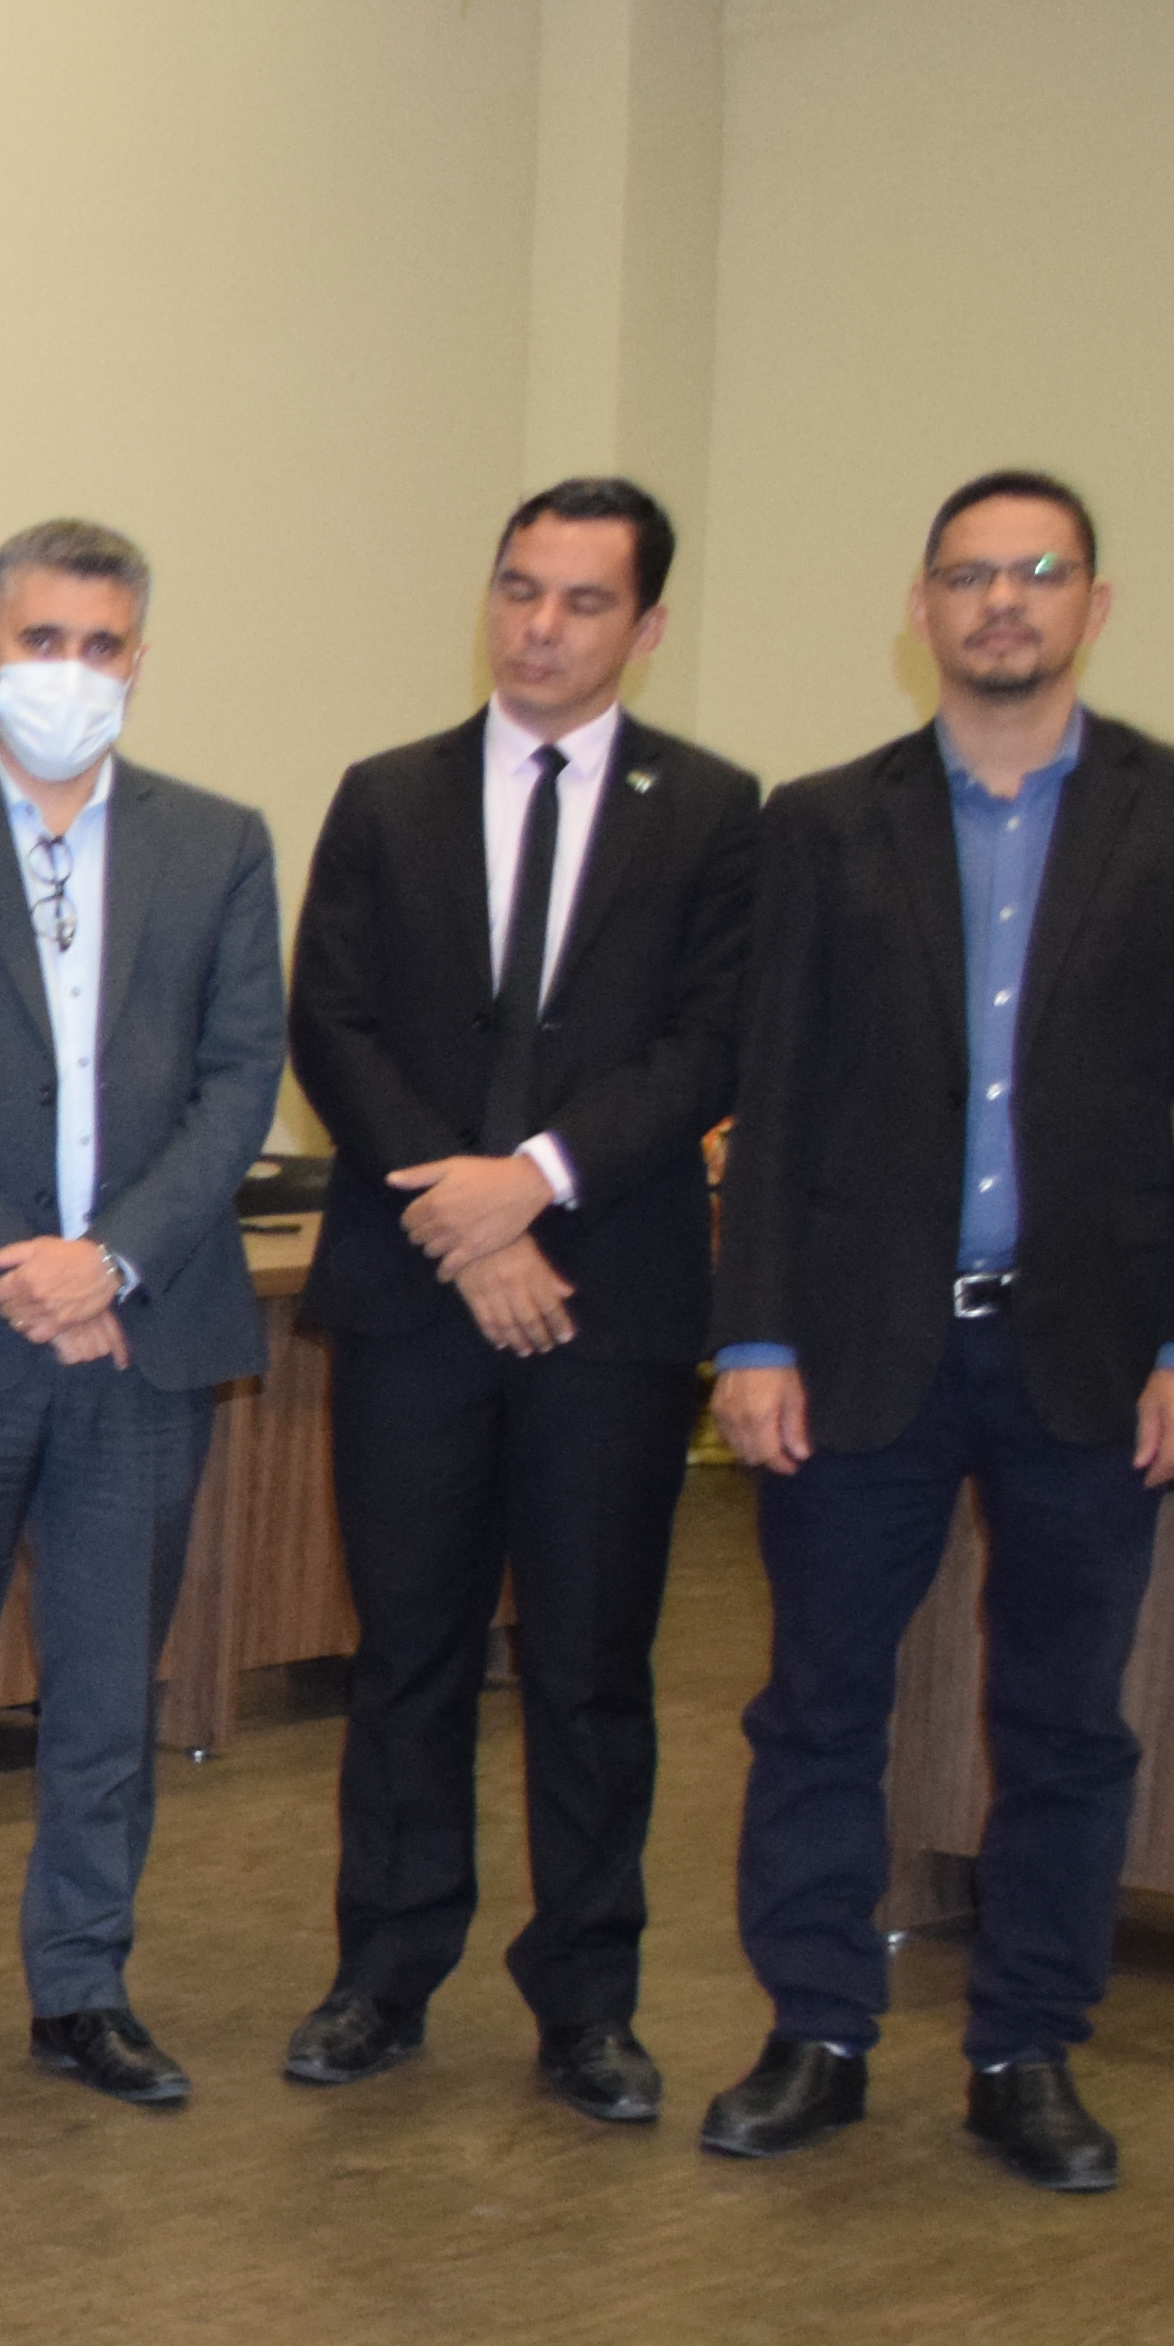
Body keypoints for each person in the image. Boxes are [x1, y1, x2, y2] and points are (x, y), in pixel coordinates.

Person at [697, 470, 1174, 2196]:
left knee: (1066, 1719)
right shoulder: (821, 822)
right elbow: (774, 1097)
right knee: (818, 1706)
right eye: (968, 575)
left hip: (1091, 1357)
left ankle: (1028, 2047)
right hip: (866, 1342)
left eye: (1037, 573)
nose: (1002, 601)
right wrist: (754, 1336)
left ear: (1095, 603)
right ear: (922, 611)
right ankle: (819, 2028)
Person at [280, 482, 761, 2123]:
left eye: (581, 602)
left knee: (589, 1664)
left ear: (647, 627)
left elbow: (708, 1041)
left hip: (606, 1306)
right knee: (407, 1654)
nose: (541, 627)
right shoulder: (388, 796)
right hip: (421, 1296)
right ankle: (383, 1975)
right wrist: (467, 1216)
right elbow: (331, 1024)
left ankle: (587, 2000)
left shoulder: (709, 811)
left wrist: (540, 1180)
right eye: (518, 591)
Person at [0, 519, 288, 2117]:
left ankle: (83, 1986)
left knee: (107, 1691)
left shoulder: (220, 844)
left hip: (142, 1333)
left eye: (101, 647)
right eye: (40, 642)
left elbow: (241, 1085)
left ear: (139, 662)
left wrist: (115, 1261)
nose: (68, 675)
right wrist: (24, 1260)